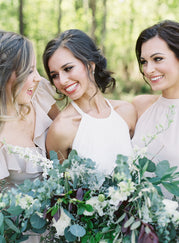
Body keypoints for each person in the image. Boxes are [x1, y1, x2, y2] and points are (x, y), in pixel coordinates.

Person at [43, 29, 137, 174]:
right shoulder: (61, 129)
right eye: (54, 75)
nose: (62, 81)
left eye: (68, 68)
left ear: (90, 64)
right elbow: (59, 190)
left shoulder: (126, 112)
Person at [0, 31, 59, 242]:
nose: (38, 77)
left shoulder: (38, 92)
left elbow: (69, 126)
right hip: (22, 233)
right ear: (6, 74)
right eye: (30, 70)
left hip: (61, 222)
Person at [132, 20, 179, 195]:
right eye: (144, 61)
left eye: (157, 59)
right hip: (136, 219)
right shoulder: (139, 106)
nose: (148, 69)